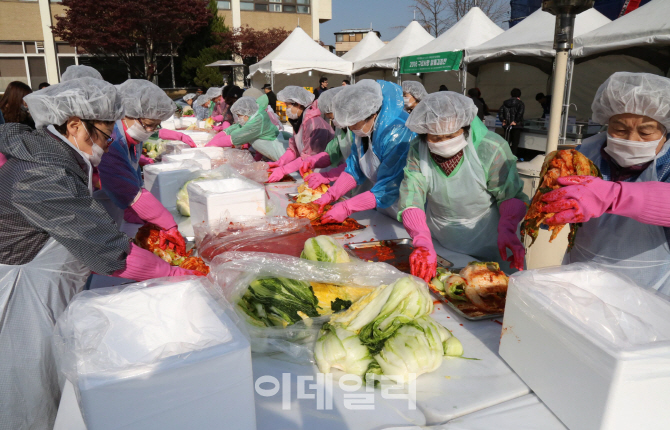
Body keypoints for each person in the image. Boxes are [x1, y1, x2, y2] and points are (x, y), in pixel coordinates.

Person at [0, 78, 204, 430]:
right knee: (30, 396)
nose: (109, 146)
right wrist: (171, 272)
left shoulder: (55, 158)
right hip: (21, 297)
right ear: (75, 125)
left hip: (43, 289)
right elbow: (108, 250)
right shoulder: (39, 173)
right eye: (106, 135)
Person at [540, 72, 670, 293]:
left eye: (646, 131)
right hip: (580, 279)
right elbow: (552, 208)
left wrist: (614, 195)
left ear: (664, 131)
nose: (631, 139)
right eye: (619, 129)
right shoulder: (584, 155)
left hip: (647, 290)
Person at [397, 91, 528, 281]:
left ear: (466, 127)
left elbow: (510, 195)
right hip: (441, 241)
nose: (444, 143)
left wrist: (507, 227)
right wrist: (422, 240)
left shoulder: (490, 148)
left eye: (451, 135)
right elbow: (412, 197)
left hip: (490, 240)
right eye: (435, 138)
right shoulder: (418, 149)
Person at [98, 80, 195, 249]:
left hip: (114, 213)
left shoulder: (132, 137)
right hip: (97, 215)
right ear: (126, 114)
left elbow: (132, 178)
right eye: (148, 125)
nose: (150, 131)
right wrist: (168, 224)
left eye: (155, 126)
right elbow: (127, 188)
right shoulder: (111, 139)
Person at [313, 79, 415, 223]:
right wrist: (332, 194)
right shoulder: (363, 131)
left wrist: (348, 207)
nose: (351, 129)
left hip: (407, 210)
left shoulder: (397, 132)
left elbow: (389, 185)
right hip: (381, 208)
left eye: (354, 123)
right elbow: (354, 169)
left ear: (372, 114)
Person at [267, 86, 334, 182]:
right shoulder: (301, 121)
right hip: (310, 169)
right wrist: (280, 162)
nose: (286, 110)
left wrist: (283, 170)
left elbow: (309, 156)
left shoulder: (313, 123)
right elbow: (293, 149)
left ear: (298, 104)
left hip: (325, 171)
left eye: (288, 106)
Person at [299, 86, 354, 187]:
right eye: (330, 119)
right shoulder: (340, 128)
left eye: (334, 117)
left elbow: (358, 165)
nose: (334, 121)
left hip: (368, 186)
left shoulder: (359, 131)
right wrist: (313, 161)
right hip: (347, 180)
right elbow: (332, 152)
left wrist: (328, 175)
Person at [206, 96, 285, 160]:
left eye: (239, 115)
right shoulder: (253, 117)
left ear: (246, 113)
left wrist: (212, 144)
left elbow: (235, 137)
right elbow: (233, 128)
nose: (239, 118)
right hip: (269, 155)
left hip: (279, 155)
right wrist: (212, 141)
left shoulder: (258, 120)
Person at [499, 88, 524, 155]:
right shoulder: (520, 103)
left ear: (511, 94)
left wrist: (503, 120)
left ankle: (505, 156)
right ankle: (512, 158)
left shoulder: (505, 103)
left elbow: (500, 112)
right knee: (515, 144)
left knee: (506, 141)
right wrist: (515, 121)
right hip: (516, 126)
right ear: (519, 95)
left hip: (507, 125)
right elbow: (520, 113)